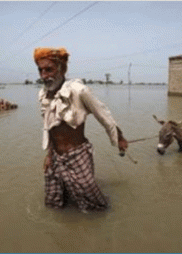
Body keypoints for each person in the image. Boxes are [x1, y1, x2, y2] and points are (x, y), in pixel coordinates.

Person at [34, 47, 128, 212]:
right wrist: (49, 155)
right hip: (55, 157)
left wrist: (119, 139)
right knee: (53, 202)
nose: (44, 75)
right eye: (40, 70)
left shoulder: (79, 91)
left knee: (95, 205)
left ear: (62, 69)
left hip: (77, 156)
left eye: (49, 69)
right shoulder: (43, 95)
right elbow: (48, 127)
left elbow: (104, 116)